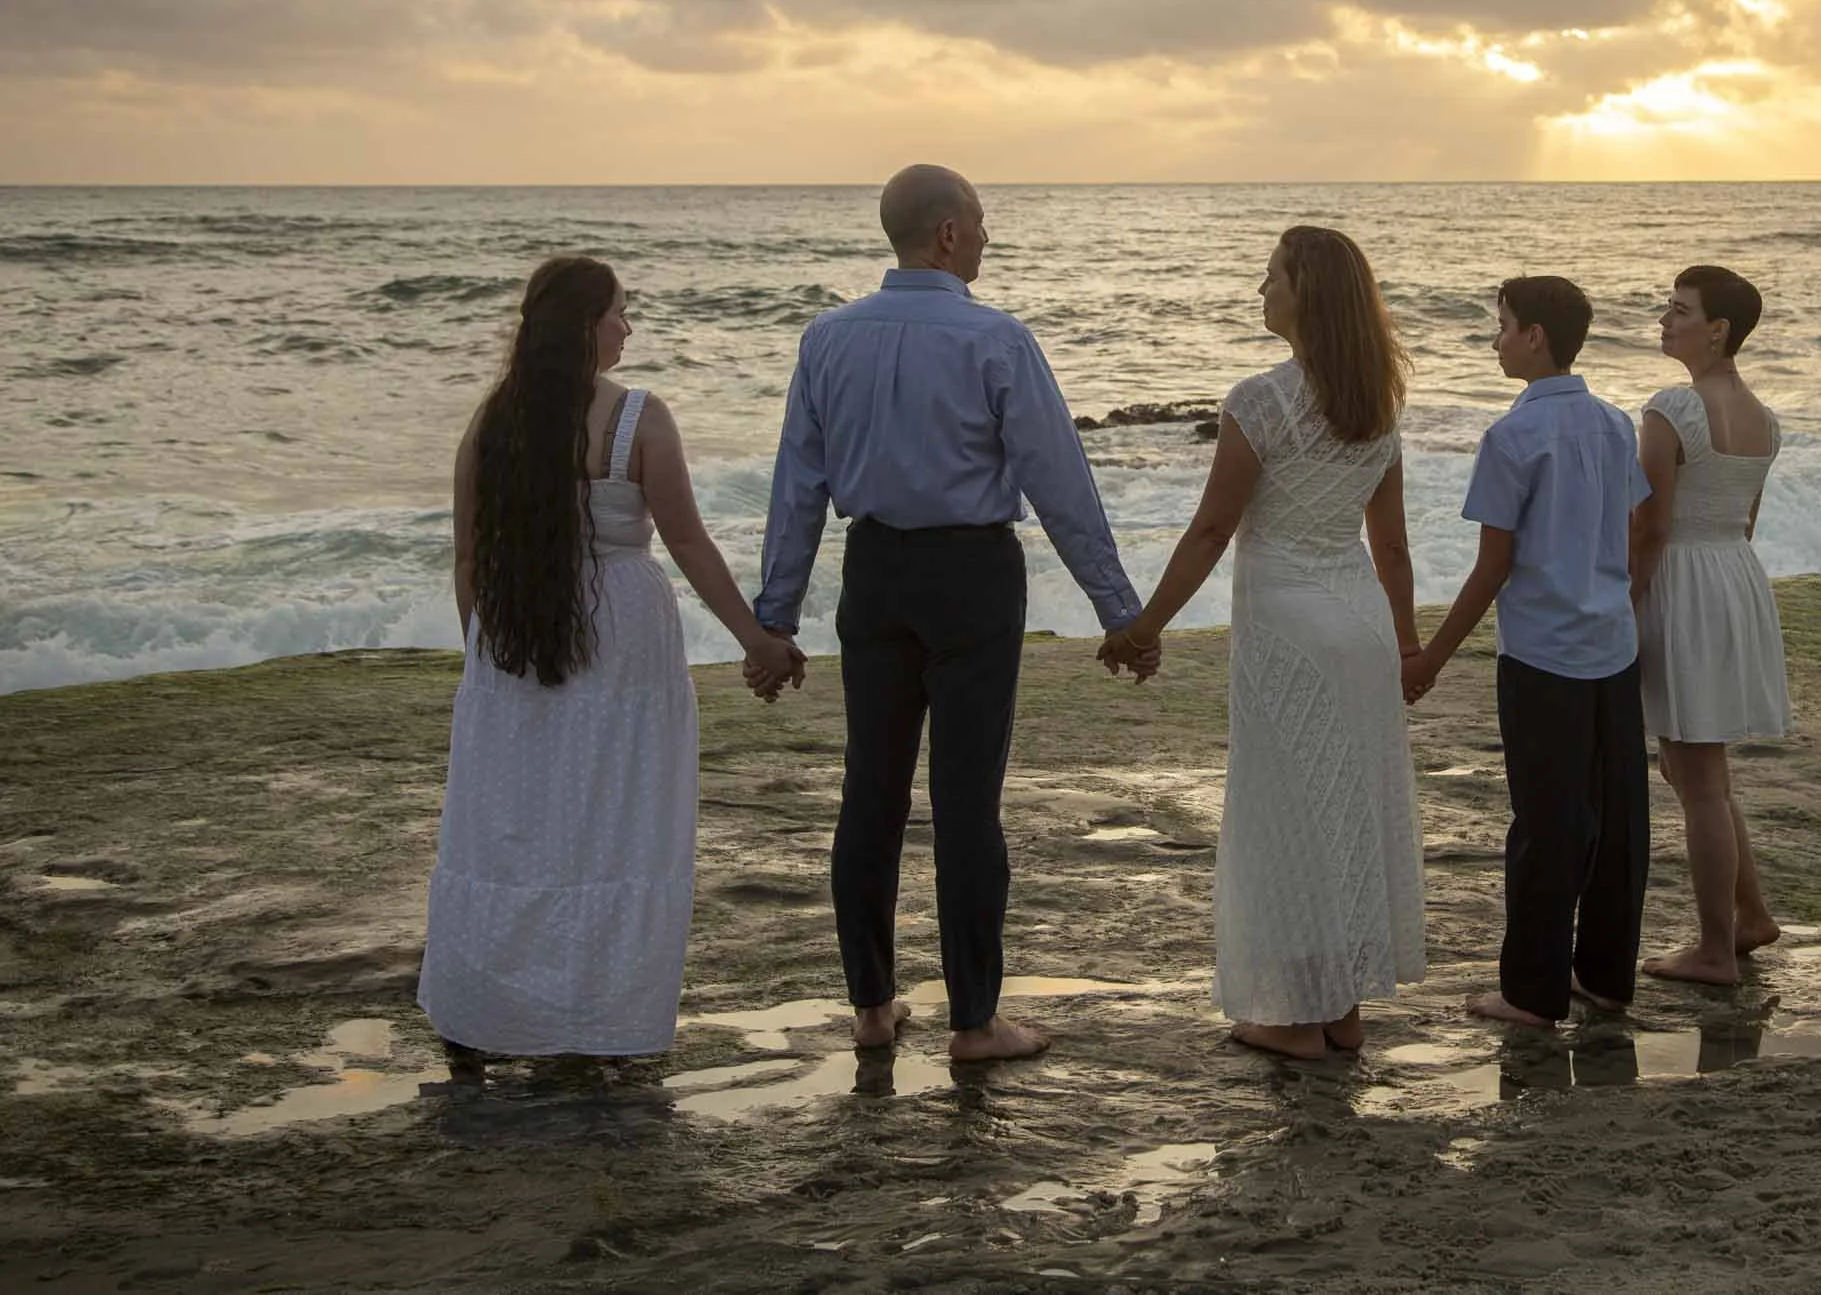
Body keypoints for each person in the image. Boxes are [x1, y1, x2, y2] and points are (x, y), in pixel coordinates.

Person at [753, 164, 1155, 1064]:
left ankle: (871, 1006)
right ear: (945, 234)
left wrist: (773, 621)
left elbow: (798, 488)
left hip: (876, 571)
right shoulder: (996, 339)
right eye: (978, 221)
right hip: (973, 573)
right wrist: (1119, 613)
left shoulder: (827, 340)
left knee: (872, 791)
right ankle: (974, 1021)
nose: (985, 234)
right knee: (967, 803)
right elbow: (1060, 484)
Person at [421, 257, 805, 1078]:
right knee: (616, 824)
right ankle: (593, 1020)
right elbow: (691, 544)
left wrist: (486, 663)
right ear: (586, 325)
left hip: (514, 632)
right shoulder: (634, 418)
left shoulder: (493, 422)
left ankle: (478, 1017)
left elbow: (468, 555)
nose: (628, 328)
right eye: (621, 313)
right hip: (620, 633)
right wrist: (757, 639)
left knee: (509, 829)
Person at [1112, 227, 1427, 1061]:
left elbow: (1214, 526)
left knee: (1287, 813)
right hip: (1358, 625)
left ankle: (1291, 1021)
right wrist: (1406, 644)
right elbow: (1391, 547)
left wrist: (1147, 624)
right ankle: (1342, 1007)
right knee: (1346, 809)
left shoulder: (1261, 399)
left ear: (1306, 295)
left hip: (1288, 629)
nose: (1261, 288)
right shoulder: (1378, 404)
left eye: (1273, 276)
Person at [1405, 277, 1650, 1029]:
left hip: (1544, 654)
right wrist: (1614, 601)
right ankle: (1606, 978)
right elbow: (1636, 530)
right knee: (1615, 819)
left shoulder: (1512, 437)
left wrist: (1432, 656)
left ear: (1537, 335)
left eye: (1503, 325)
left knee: (1546, 823)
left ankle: (1532, 992)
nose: (1495, 339)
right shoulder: (1613, 423)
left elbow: (1493, 565)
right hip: (1612, 643)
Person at [1631, 264, 1790, 986]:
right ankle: (1749, 915)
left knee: (1696, 778)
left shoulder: (1672, 409)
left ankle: (1714, 948)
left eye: (1679, 309)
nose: (1665, 319)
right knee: (1701, 769)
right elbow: (1746, 521)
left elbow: (1650, 526)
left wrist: (1629, 603)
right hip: (1733, 577)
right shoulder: (1765, 419)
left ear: (1717, 329)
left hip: (1683, 581)